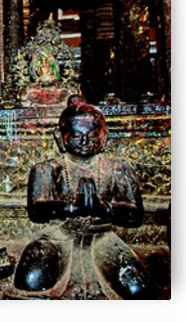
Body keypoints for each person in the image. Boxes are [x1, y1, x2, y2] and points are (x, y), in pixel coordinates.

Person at [8, 95, 156, 299]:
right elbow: (37, 210)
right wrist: (71, 208)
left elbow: (134, 214)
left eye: (93, 135)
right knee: (30, 279)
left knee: (138, 289)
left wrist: (103, 208)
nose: (85, 142)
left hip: (103, 237)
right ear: (60, 138)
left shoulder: (117, 169)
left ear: (105, 137)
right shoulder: (48, 169)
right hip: (58, 235)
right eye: (76, 136)